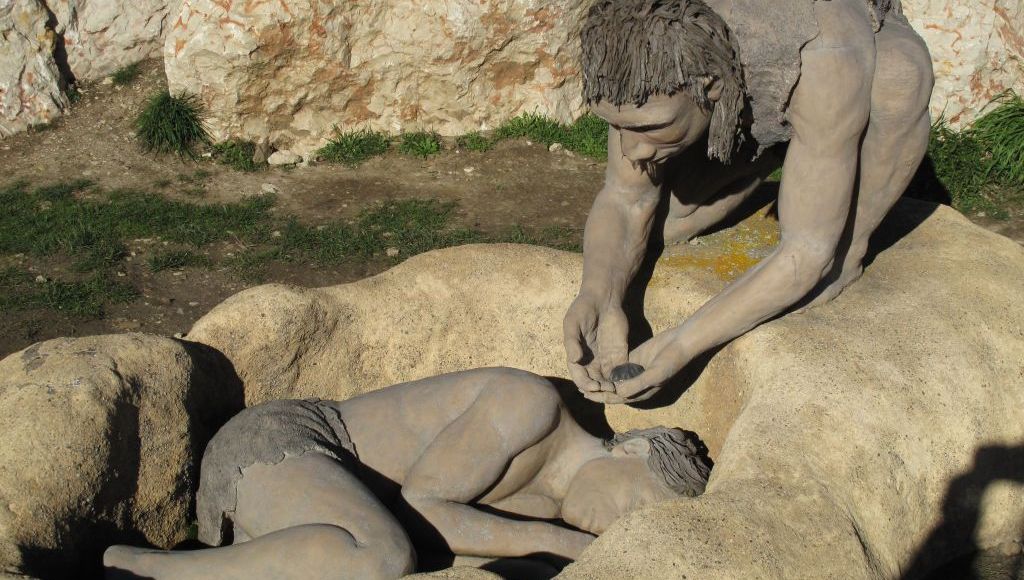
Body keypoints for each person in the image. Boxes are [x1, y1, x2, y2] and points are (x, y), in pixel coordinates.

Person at [563, 0, 933, 403]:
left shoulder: (826, 55)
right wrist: (599, 294)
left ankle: (850, 246)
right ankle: (776, 149)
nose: (631, 150)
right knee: (668, 225)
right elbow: (625, 199)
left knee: (900, 75)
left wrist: (682, 344)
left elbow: (807, 251)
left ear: (710, 86)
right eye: (618, 127)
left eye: (651, 127)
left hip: (849, 48)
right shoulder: (649, 33)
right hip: (749, 83)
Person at [104, 367, 710, 580]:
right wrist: (562, 543)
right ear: (631, 451)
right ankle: (148, 568)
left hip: (324, 514)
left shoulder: (547, 508)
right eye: (637, 507)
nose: (618, 527)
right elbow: (423, 503)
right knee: (382, 557)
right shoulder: (532, 405)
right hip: (286, 445)